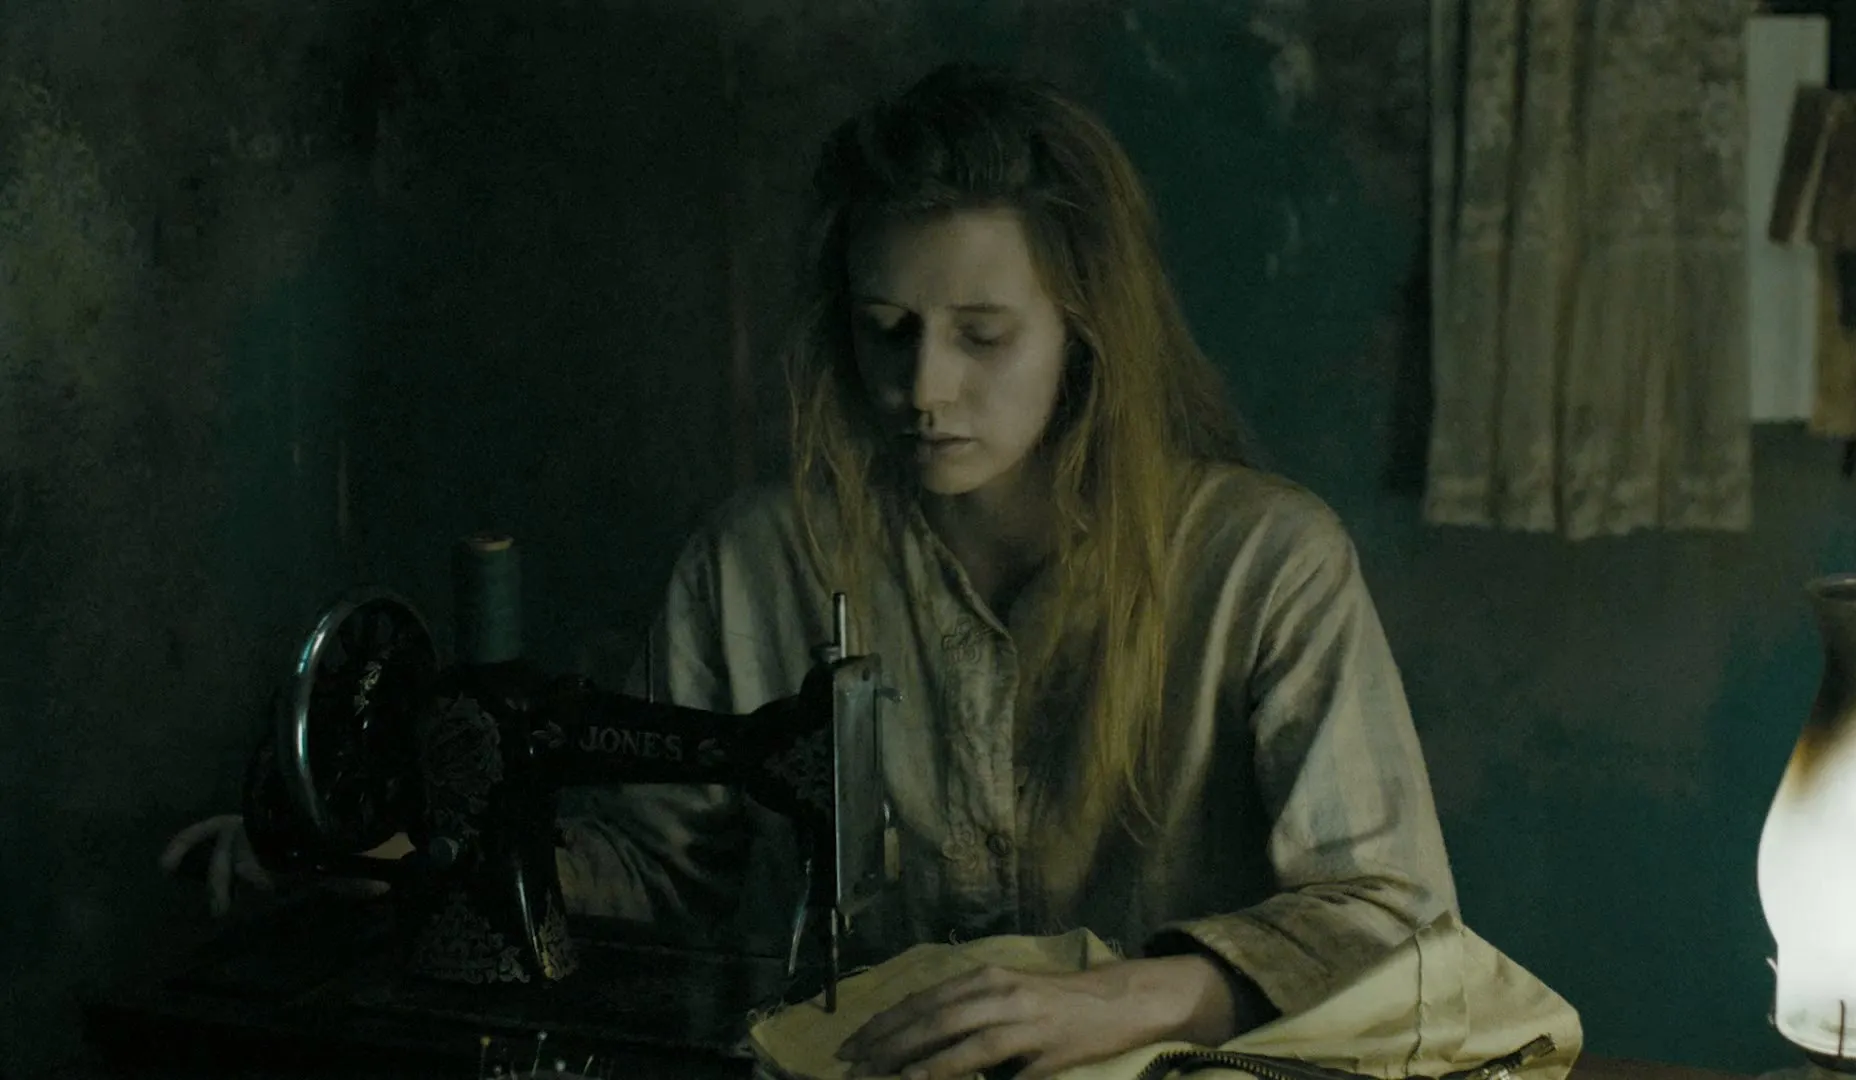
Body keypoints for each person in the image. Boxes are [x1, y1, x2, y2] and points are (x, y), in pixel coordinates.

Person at [163, 63, 1457, 1080]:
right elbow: (659, 874)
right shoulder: (759, 562)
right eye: (886, 331)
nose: (923, 388)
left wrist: (1132, 995)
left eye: (983, 336)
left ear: (1088, 329)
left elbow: (1396, 920)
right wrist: (397, 853)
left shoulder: (1263, 566)